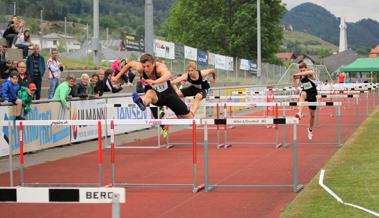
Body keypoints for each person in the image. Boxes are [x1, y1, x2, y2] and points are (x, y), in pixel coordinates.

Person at [292, 62, 318, 140]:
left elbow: (311, 72)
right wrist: (296, 88)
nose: (302, 72)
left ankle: (310, 130)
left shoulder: (310, 73)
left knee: (312, 115)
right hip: (305, 92)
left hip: (312, 95)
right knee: (303, 93)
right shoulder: (300, 75)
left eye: (303, 70)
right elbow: (293, 77)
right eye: (301, 70)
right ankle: (299, 113)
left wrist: (300, 73)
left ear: (306, 68)